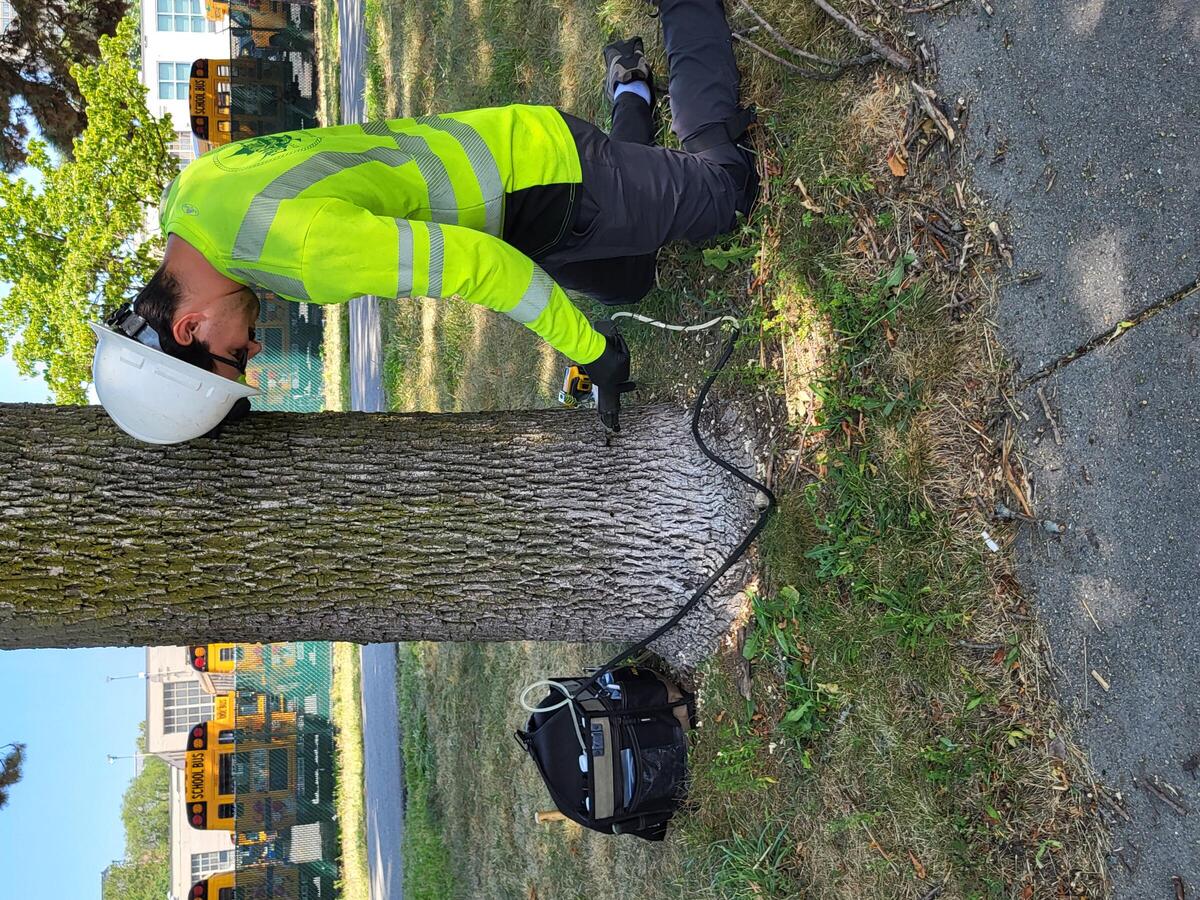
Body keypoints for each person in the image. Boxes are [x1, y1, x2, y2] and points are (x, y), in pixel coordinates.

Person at [91, 0, 757, 444]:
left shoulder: (297, 257)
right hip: (515, 200)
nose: (254, 350)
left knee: (724, 195)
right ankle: (632, 92)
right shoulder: (186, 198)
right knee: (631, 278)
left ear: (188, 326)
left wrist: (595, 355)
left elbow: (480, 269)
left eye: (233, 357)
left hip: (542, 178)